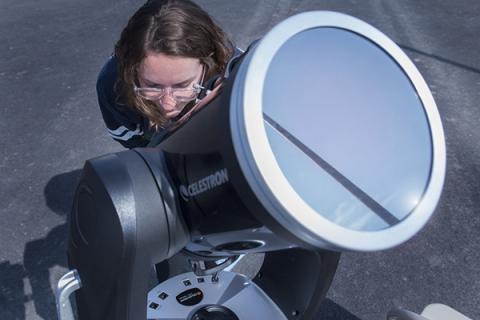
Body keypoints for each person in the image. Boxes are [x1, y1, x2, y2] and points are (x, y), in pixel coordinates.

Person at [96, 0, 235, 148]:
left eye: (182, 85)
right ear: (132, 69)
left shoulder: (241, 80)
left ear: (209, 62)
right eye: (152, 85)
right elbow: (135, 144)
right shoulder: (113, 85)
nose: (168, 106)